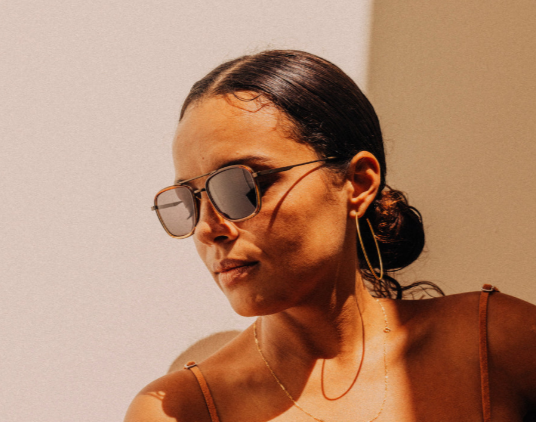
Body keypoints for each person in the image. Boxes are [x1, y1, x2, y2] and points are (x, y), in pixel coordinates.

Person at [125, 50, 536, 422]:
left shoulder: (498, 345)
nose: (207, 228)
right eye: (189, 200)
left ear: (358, 183)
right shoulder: (181, 411)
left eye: (242, 186)